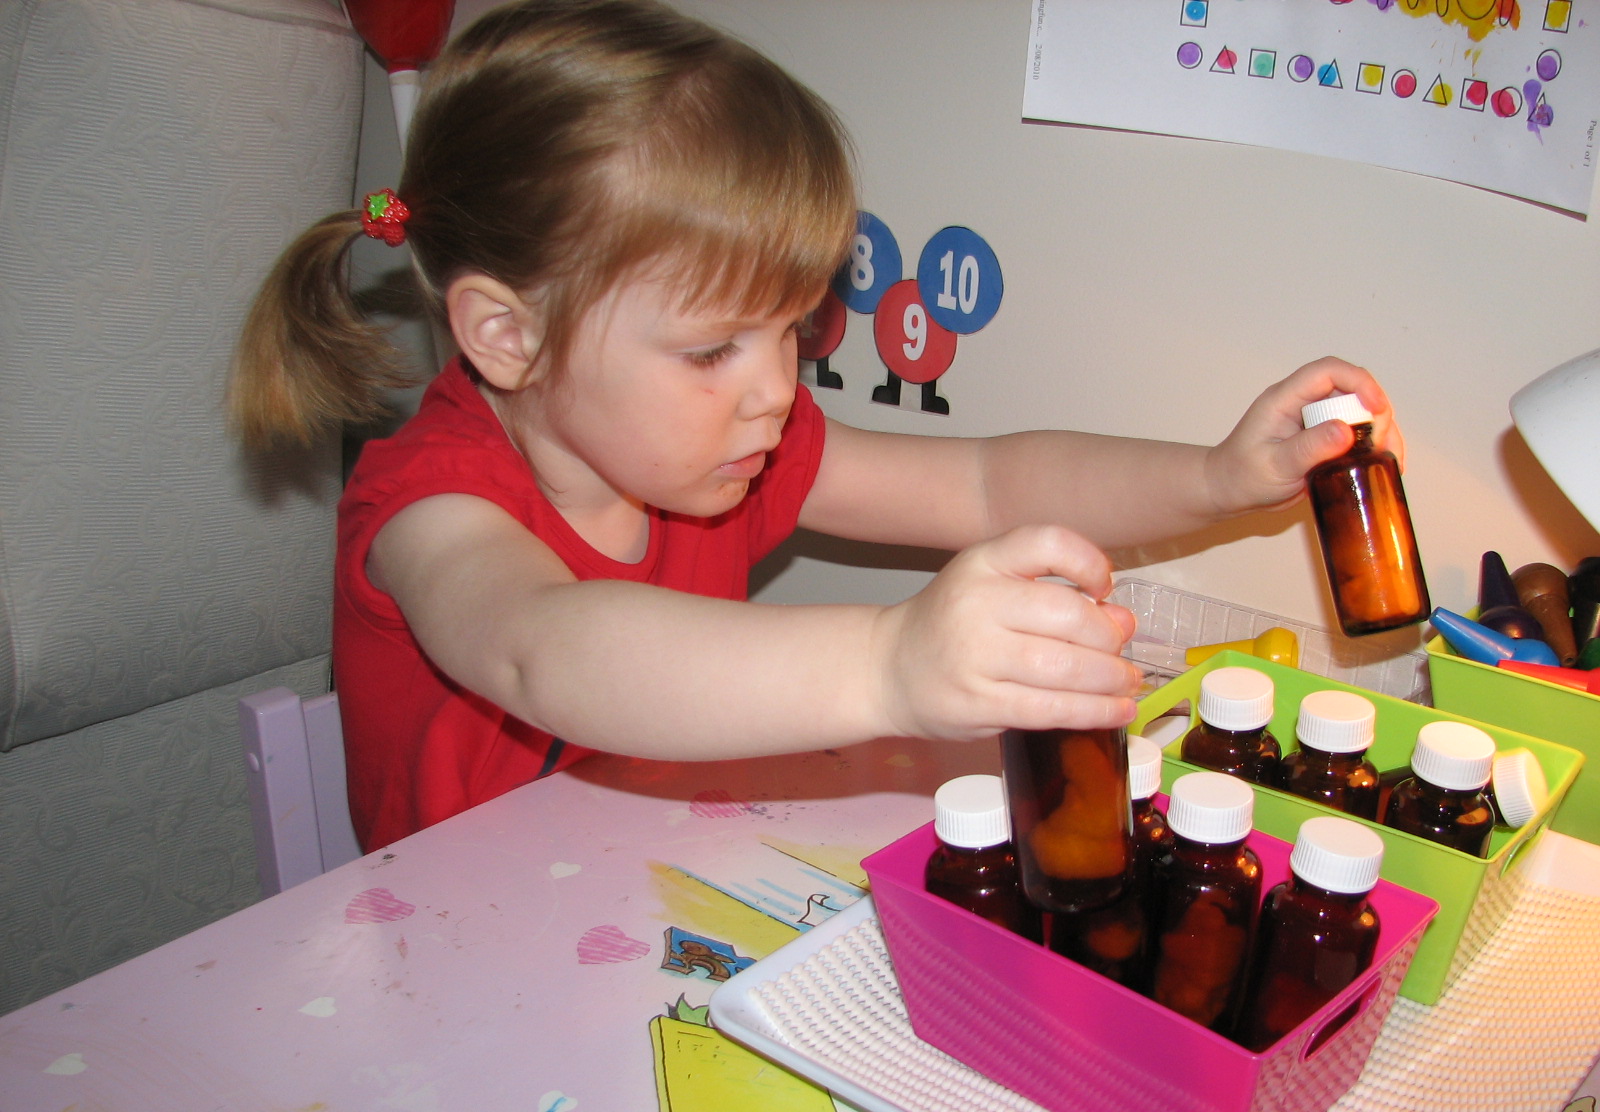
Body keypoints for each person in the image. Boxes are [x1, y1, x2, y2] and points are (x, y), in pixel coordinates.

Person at [229, 0, 1404, 852]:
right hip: (455, 969)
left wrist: (1213, 475)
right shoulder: (430, 504)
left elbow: (993, 486)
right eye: (711, 350)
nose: (775, 389)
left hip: (657, 888)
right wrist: (888, 664)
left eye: (790, 330)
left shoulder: (733, 448)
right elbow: (547, 647)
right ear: (503, 336)